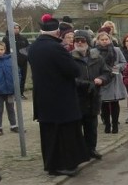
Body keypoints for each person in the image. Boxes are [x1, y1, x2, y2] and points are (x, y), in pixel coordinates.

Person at [28, 14, 90, 176]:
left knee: (49, 134)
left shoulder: (33, 47)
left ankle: (52, 165)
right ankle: (66, 164)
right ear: (57, 33)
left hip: (42, 97)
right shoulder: (56, 48)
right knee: (65, 133)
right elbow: (73, 70)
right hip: (61, 98)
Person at [70, 30, 112, 160]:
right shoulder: (69, 58)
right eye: (77, 40)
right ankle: (79, 152)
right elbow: (68, 77)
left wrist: (102, 79)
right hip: (77, 97)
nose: (80, 43)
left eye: (82, 40)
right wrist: (84, 84)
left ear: (88, 42)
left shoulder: (97, 57)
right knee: (77, 127)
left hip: (93, 97)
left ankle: (91, 149)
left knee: (92, 127)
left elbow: (107, 72)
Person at [93, 30, 127, 134]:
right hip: (102, 79)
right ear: (98, 41)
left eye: (106, 39)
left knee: (114, 103)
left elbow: (124, 62)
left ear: (110, 39)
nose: (104, 41)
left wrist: (116, 68)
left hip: (114, 78)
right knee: (103, 104)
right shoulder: (94, 51)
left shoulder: (116, 50)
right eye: (102, 39)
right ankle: (107, 124)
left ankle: (115, 124)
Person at [2, 22, 29, 96]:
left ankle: (21, 93)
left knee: (23, 77)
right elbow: (4, 50)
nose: (16, 29)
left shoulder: (23, 39)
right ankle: (13, 93)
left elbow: (27, 49)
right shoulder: (6, 38)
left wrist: (26, 57)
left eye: (18, 28)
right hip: (12, 62)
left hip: (23, 62)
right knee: (13, 77)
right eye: (14, 28)